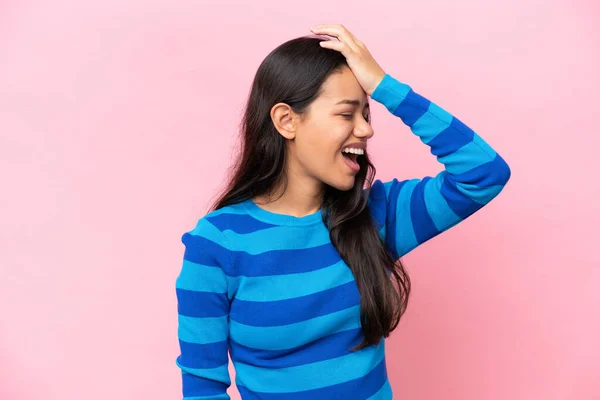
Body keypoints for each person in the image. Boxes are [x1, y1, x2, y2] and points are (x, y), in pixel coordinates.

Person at [175, 24, 511, 400]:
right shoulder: (217, 243)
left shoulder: (377, 217)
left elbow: (483, 173)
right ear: (287, 120)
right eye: (347, 114)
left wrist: (385, 87)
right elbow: (203, 387)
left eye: (367, 114)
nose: (366, 130)